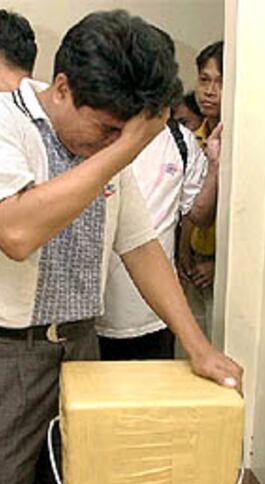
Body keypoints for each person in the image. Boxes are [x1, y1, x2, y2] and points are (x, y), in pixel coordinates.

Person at [0, 11, 242, 484]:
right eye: (106, 129)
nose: (111, 143)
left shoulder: (105, 149)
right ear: (62, 88)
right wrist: (125, 146)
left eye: (120, 133)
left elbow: (140, 248)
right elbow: (15, 231)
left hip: (79, 350)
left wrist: (197, 345)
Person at [97, 34, 218, 361]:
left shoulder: (180, 141)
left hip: (155, 317)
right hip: (91, 318)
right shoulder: (93, 132)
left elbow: (198, 214)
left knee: (150, 410)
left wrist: (217, 165)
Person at [178, 42, 223, 340]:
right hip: (192, 260)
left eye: (221, 82)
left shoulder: (246, 139)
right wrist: (183, 253)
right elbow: (189, 205)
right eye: (205, 80)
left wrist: (219, 264)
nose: (210, 90)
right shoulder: (191, 138)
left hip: (223, 267)